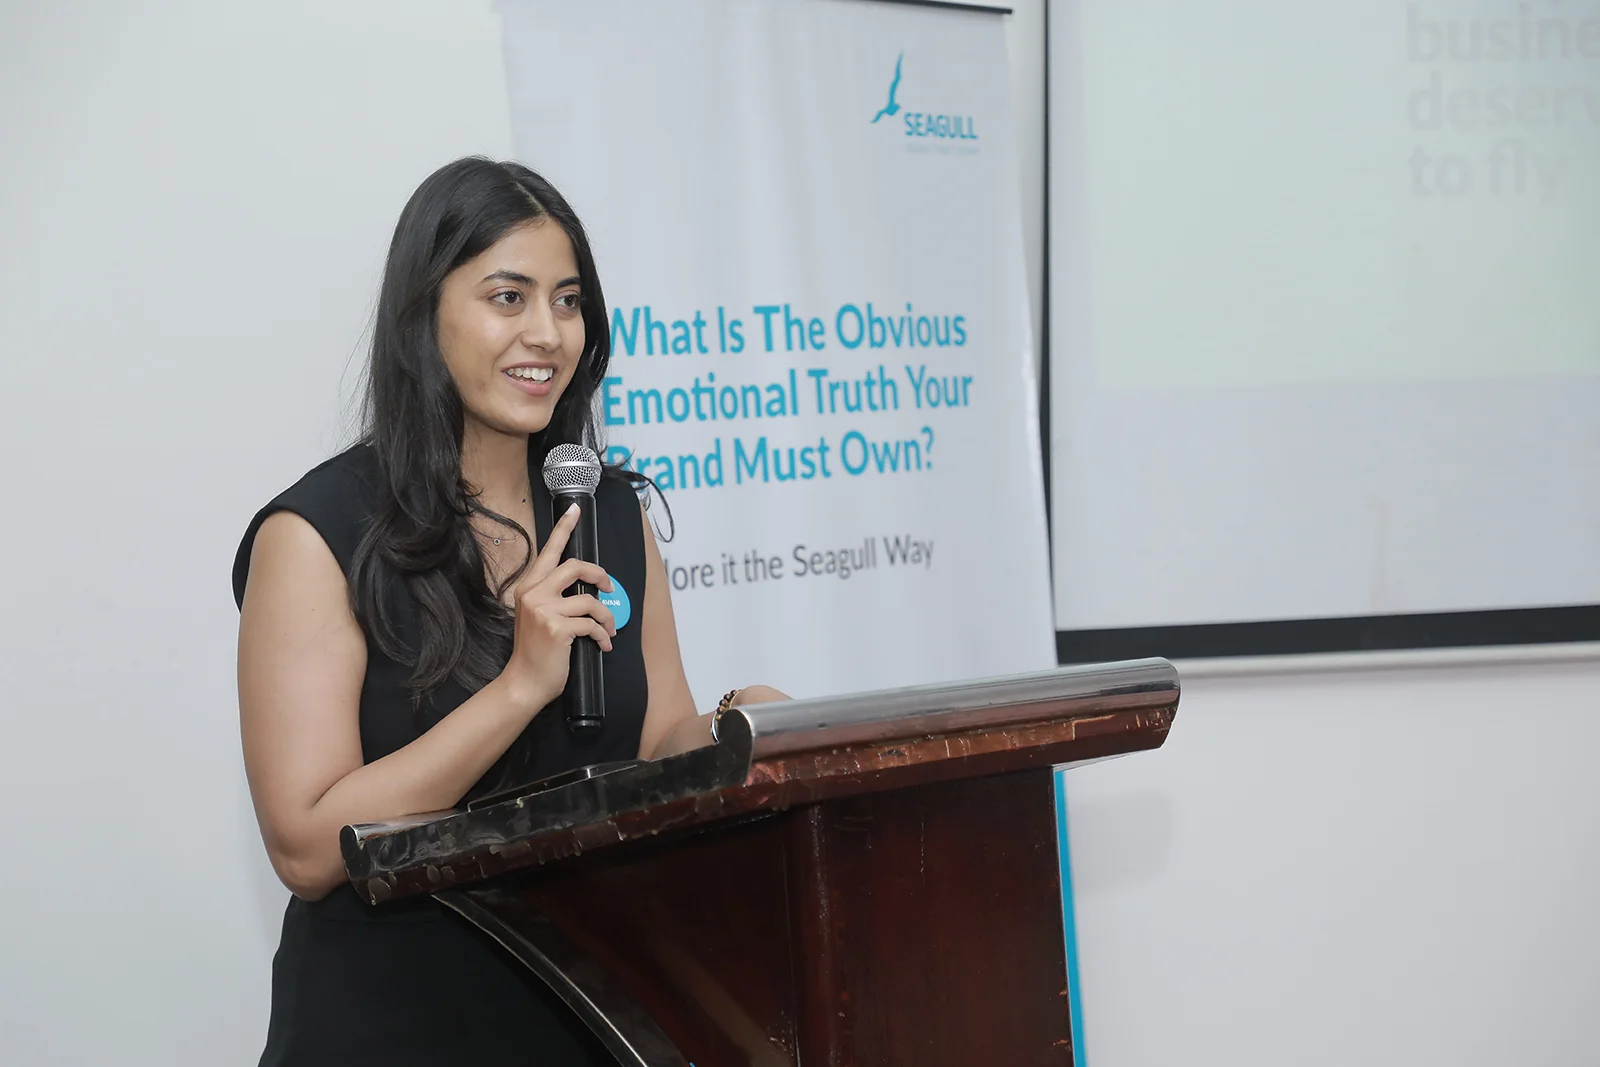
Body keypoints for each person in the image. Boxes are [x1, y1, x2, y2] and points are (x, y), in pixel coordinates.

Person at [232, 156, 782, 1066]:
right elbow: (307, 846)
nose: (547, 333)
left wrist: (737, 731)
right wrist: (520, 686)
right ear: (424, 314)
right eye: (508, 297)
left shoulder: (608, 510)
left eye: (567, 301)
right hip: (393, 1025)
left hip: (594, 1008)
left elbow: (656, 740)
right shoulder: (319, 533)